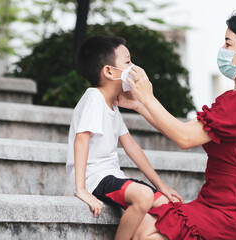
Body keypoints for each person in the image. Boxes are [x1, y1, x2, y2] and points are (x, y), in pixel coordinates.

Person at [116, 12, 236, 240]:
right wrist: (139, 105)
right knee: (142, 226)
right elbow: (184, 130)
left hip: (233, 211)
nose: (222, 49)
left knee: (146, 231)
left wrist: (148, 98)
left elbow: (184, 138)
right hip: (222, 202)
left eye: (228, 43)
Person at [66, 35, 183, 240]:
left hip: (113, 177)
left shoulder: (111, 104)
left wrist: (161, 186)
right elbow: (81, 139)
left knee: (169, 204)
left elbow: (132, 147)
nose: (133, 67)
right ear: (109, 71)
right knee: (143, 195)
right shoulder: (94, 97)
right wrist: (81, 189)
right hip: (96, 179)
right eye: (128, 62)